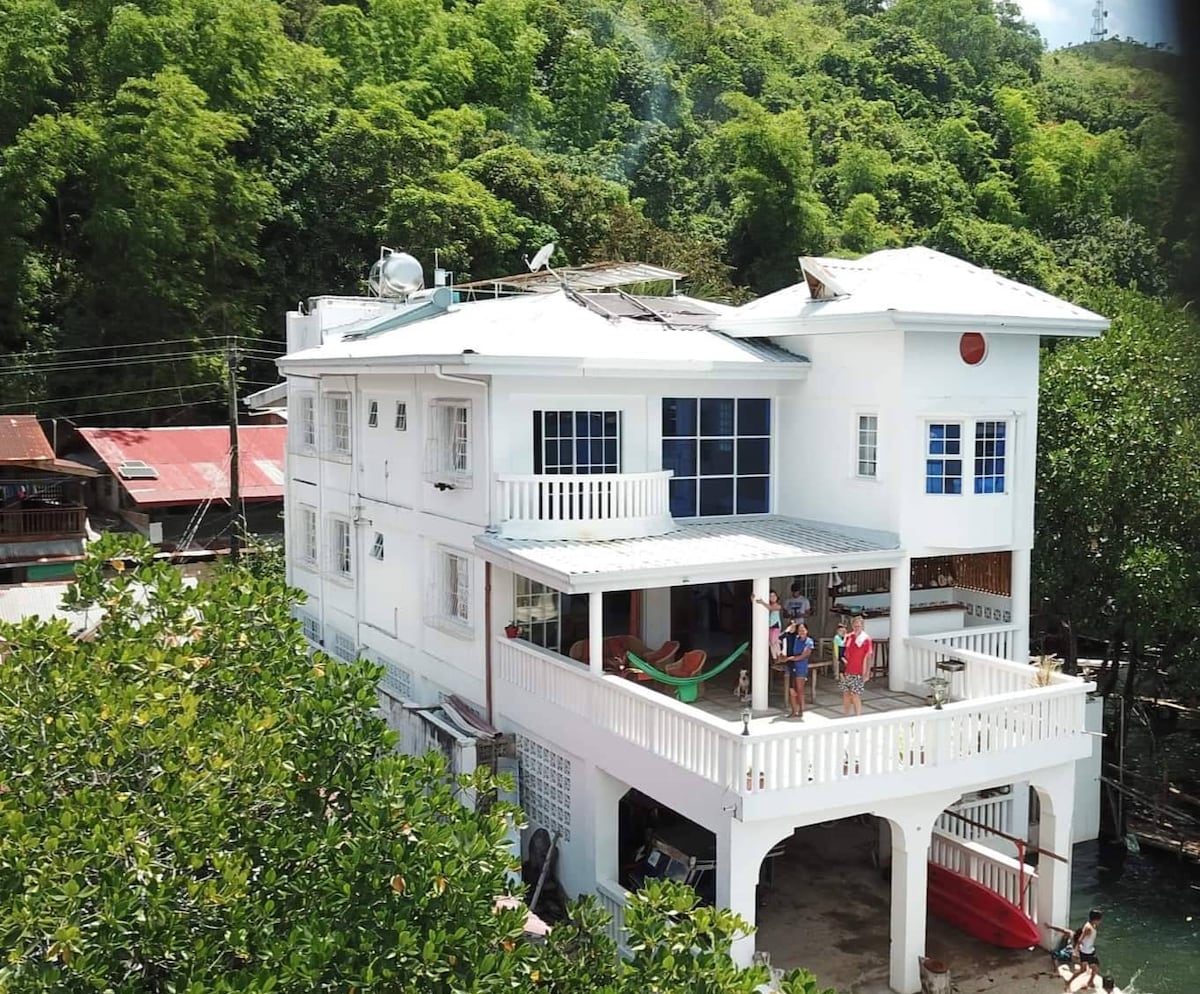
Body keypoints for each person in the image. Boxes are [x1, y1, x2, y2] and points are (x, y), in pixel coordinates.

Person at [840, 615, 873, 717]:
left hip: (858, 671)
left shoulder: (866, 639)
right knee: (846, 694)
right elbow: (843, 652)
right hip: (847, 670)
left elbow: (868, 657)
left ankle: (858, 717)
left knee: (855, 695)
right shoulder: (849, 637)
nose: (856, 628)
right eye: (855, 626)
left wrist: (867, 672)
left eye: (858, 626)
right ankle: (846, 717)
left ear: (862, 626)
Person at [1065, 908, 1103, 992]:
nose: (1100, 921)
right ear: (1095, 919)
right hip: (1087, 953)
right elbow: (1080, 939)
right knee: (1095, 968)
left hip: (1087, 951)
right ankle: (1088, 982)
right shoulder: (1088, 928)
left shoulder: (1091, 925)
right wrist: (1075, 951)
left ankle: (1086, 982)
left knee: (1084, 969)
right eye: (1099, 920)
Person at [781, 621, 813, 719]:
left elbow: (804, 655)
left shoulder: (809, 641)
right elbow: (783, 636)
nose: (801, 632)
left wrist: (790, 658)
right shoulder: (794, 639)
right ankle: (793, 711)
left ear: (807, 631)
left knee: (799, 690)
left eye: (803, 630)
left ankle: (801, 711)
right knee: (791, 689)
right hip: (791, 666)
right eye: (799, 630)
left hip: (801, 667)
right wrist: (791, 626)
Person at [752, 590, 783, 660]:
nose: (772, 597)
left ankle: (779, 655)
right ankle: (775, 657)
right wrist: (754, 599)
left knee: (773, 641)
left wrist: (762, 602)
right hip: (769, 626)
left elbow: (771, 608)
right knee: (771, 642)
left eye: (774, 595)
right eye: (770, 596)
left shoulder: (778, 606)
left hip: (776, 625)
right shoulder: (767, 605)